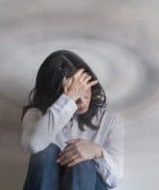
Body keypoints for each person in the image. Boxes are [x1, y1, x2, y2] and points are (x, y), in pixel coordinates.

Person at [20, 50, 124, 190]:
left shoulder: (109, 119)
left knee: (81, 165)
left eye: (83, 88)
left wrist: (97, 152)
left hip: (91, 183)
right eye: (72, 91)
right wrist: (67, 101)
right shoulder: (36, 114)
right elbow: (32, 144)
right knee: (46, 153)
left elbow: (115, 179)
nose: (81, 100)